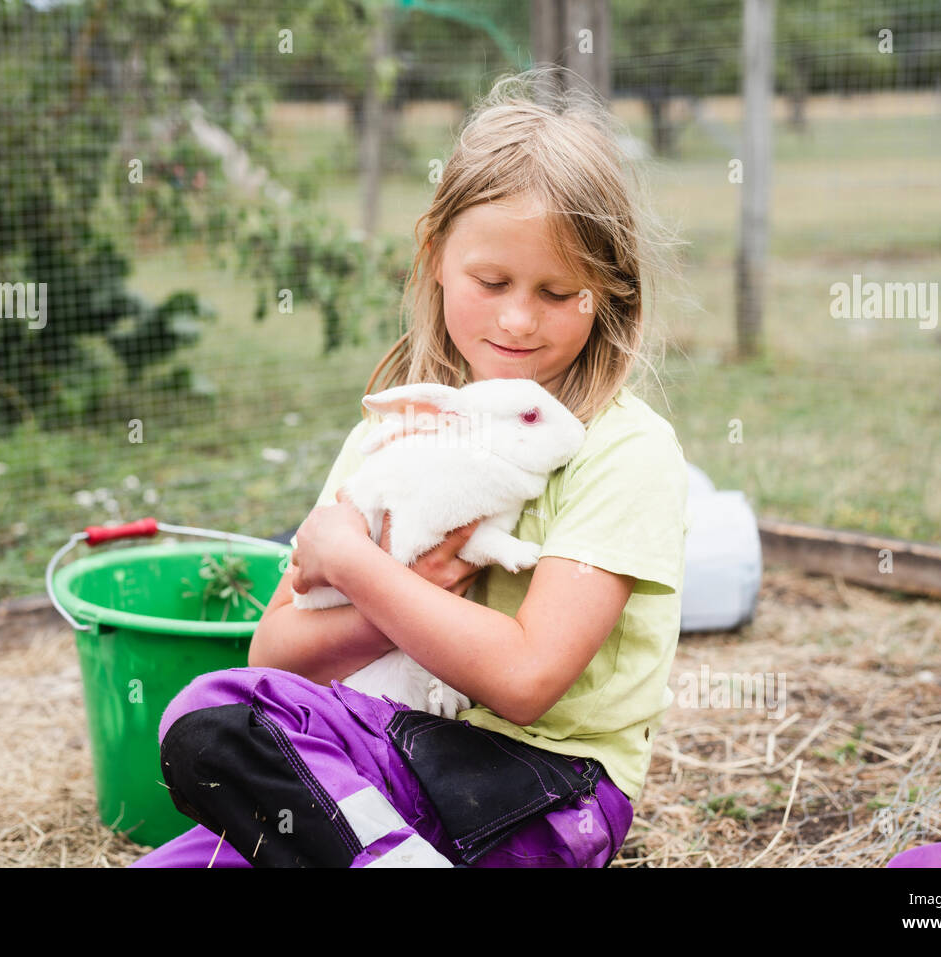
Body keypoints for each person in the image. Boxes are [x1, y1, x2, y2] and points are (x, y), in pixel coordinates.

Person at [130, 66, 689, 868]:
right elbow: (277, 653)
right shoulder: (398, 434)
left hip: (542, 793)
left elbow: (528, 676)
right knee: (207, 749)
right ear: (433, 257)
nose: (518, 318)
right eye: (490, 281)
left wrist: (359, 564)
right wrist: (409, 586)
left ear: (606, 292)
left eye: (558, 291)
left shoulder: (622, 449)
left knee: (219, 709)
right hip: (378, 771)